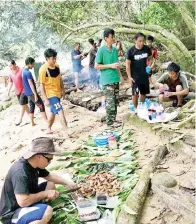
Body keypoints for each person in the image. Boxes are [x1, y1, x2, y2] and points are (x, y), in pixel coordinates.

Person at [0, 137, 77, 224]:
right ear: (39, 156)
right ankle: (39, 214)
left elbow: (49, 176)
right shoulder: (20, 172)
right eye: (49, 160)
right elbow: (23, 201)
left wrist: (67, 183)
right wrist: (45, 194)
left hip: (27, 199)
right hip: (13, 213)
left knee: (50, 184)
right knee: (47, 211)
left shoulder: (34, 164)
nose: (50, 162)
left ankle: (38, 210)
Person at [39, 48, 72, 136]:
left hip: (57, 93)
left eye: (55, 58)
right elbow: (41, 85)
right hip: (51, 95)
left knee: (53, 112)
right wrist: (45, 99)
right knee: (60, 110)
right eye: (52, 58)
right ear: (47, 58)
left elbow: (60, 79)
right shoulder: (43, 69)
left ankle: (48, 128)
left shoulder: (57, 66)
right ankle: (66, 129)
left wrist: (63, 91)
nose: (54, 60)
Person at [95, 28, 124, 128]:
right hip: (107, 81)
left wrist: (121, 77)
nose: (113, 38)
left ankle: (114, 120)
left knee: (115, 102)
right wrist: (109, 66)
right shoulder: (101, 50)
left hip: (115, 79)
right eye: (111, 37)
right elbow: (97, 66)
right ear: (106, 38)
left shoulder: (115, 50)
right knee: (110, 103)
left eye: (113, 36)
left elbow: (116, 64)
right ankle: (110, 124)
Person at [126, 32, 152, 111]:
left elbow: (150, 58)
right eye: (140, 41)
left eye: (143, 41)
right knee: (135, 93)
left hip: (144, 75)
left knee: (143, 92)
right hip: (135, 76)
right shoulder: (131, 51)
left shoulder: (146, 48)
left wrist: (148, 65)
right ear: (135, 41)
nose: (141, 43)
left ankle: (142, 106)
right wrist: (129, 77)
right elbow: (127, 65)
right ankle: (136, 109)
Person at [22, 57, 47, 126]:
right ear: (29, 63)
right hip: (32, 93)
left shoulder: (23, 71)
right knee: (41, 105)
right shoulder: (28, 73)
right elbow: (31, 84)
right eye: (33, 64)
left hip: (27, 93)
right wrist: (35, 95)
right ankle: (46, 121)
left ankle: (32, 122)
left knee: (32, 106)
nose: (33, 66)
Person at [7, 60, 29, 126]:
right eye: (9, 66)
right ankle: (31, 115)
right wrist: (8, 90)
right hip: (17, 91)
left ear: (14, 64)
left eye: (10, 65)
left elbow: (27, 78)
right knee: (24, 105)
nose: (9, 67)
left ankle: (20, 119)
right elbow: (11, 82)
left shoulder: (21, 70)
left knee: (22, 105)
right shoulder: (10, 73)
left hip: (24, 90)